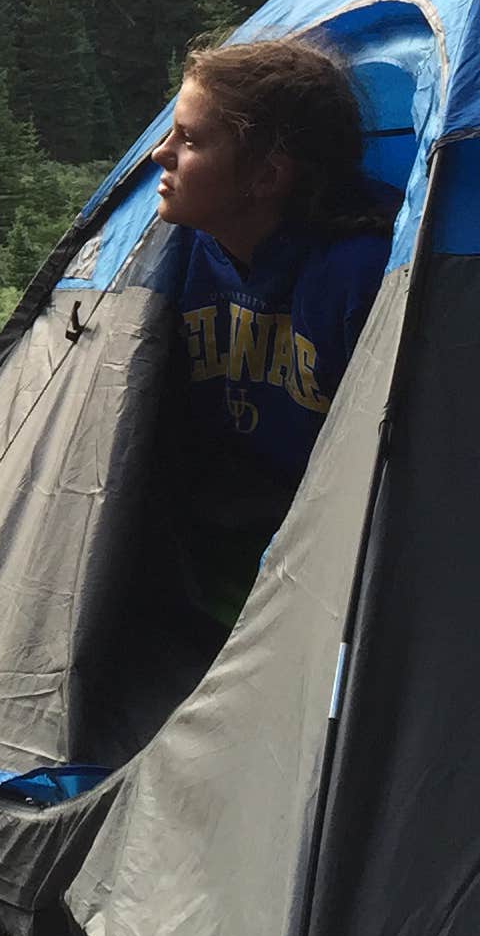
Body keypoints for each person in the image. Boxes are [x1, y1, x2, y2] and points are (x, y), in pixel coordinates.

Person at [147, 36, 392, 629]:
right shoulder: (179, 252)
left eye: (189, 139)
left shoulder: (362, 275)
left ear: (267, 178)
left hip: (330, 562)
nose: (160, 154)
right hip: (213, 534)